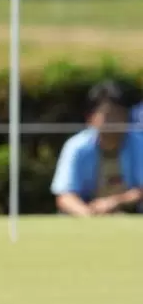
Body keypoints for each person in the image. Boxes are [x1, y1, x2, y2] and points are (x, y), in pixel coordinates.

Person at [51, 81, 143, 216]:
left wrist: (115, 202)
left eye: (120, 114)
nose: (116, 120)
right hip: (85, 215)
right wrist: (87, 214)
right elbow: (65, 195)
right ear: (90, 117)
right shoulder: (76, 146)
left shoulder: (139, 143)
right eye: (108, 115)